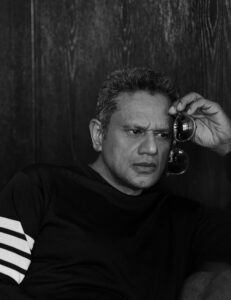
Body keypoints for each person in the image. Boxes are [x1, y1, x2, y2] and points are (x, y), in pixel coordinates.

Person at [0, 68, 231, 300]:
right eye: (135, 131)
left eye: (162, 135)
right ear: (99, 135)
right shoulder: (40, 187)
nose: (151, 149)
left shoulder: (183, 218)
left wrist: (228, 146)